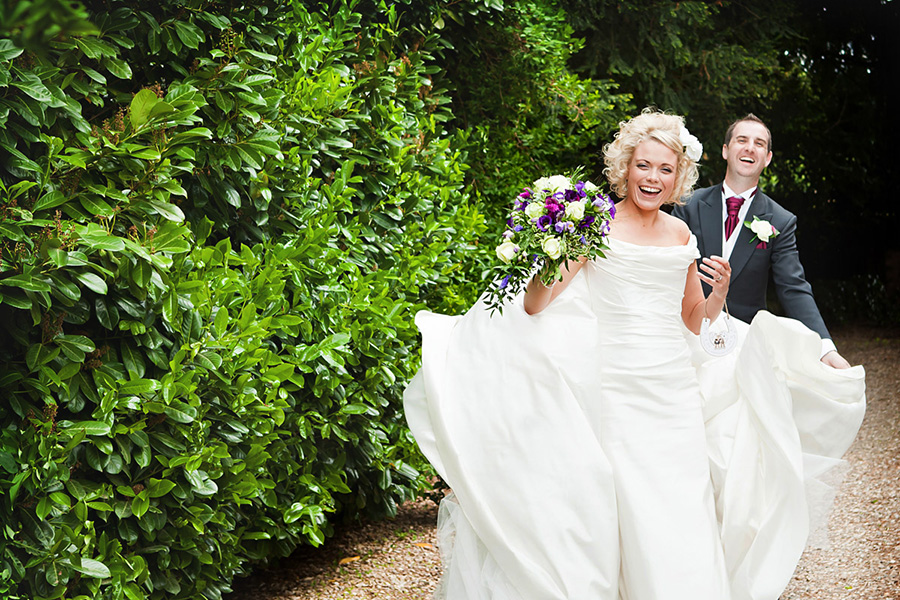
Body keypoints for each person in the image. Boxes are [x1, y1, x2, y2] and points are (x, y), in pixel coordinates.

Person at [403, 109, 865, 600]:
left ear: (678, 178)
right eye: (643, 166)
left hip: (674, 391)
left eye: (665, 170)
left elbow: (691, 318)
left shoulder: (682, 235)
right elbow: (537, 304)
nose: (653, 178)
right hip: (615, 389)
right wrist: (551, 249)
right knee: (622, 509)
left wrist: (718, 296)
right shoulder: (593, 227)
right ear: (625, 167)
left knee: (681, 504)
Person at [672, 114, 851, 369]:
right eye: (741, 140)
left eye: (759, 143)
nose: (749, 147)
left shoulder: (781, 220)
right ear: (725, 150)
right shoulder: (687, 205)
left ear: (767, 158)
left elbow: (793, 287)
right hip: (686, 337)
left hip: (743, 345)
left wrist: (825, 347)